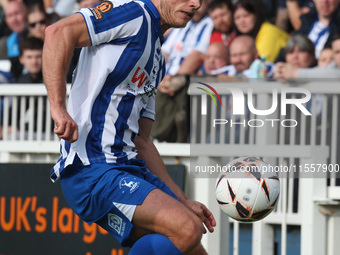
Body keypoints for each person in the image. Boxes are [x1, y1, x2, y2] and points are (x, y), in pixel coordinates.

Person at [43, 1, 216, 255]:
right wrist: (58, 106)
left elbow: (142, 140)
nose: (195, 4)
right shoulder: (133, 13)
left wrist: (183, 200)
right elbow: (57, 32)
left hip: (127, 167)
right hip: (92, 168)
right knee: (187, 229)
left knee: (193, 246)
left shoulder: (157, 59)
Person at [151, 0, 213, 143]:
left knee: (172, 88)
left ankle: (160, 137)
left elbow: (197, 56)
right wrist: (157, 77)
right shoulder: (184, 22)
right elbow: (164, 53)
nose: (194, 5)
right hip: (165, 77)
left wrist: (169, 79)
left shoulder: (209, 24)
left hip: (183, 80)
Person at [274, 34, 340, 79]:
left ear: (312, 55)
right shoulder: (282, 74)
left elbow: (335, 73)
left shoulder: (326, 70)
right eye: (291, 52)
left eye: (301, 51)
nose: (295, 56)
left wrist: (295, 73)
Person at [0, 0, 28, 78]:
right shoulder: (6, 43)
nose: (14, 20)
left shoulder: (40, 35)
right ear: (6, 20)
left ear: (26, 13)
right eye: (10, 16)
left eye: (17, 13)